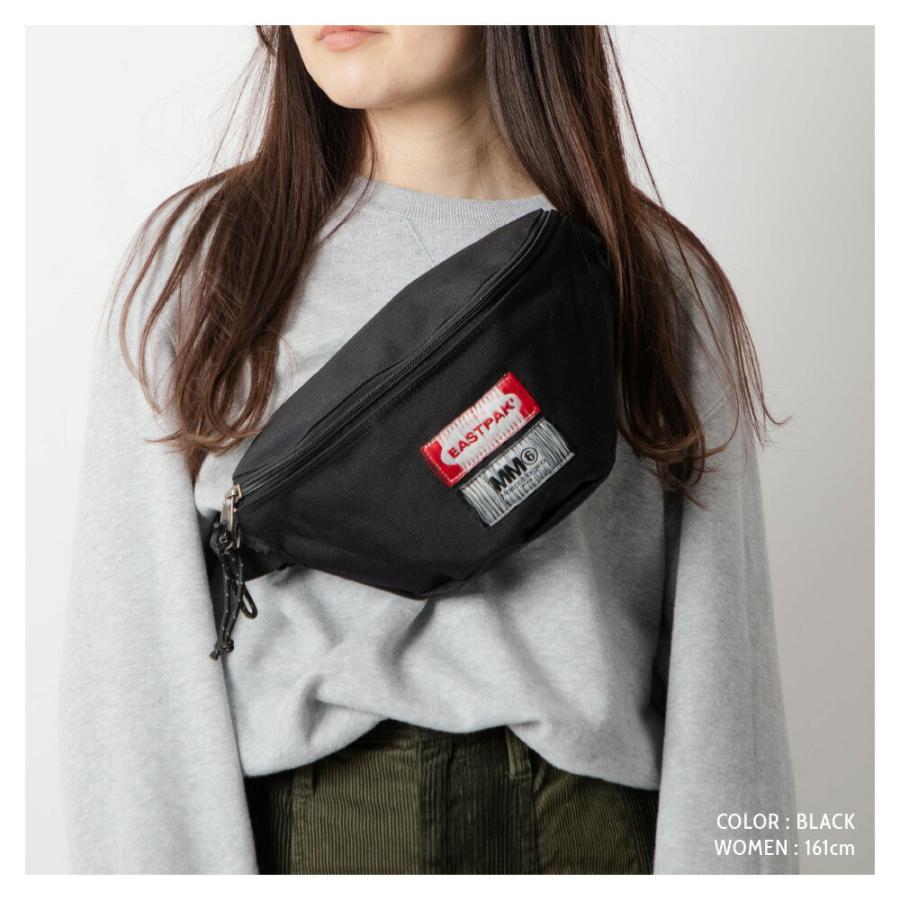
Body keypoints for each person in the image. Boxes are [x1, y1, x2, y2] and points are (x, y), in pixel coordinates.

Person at [58, 25, 797, 874]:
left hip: (590, 841)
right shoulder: (209, 261)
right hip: (313, 839)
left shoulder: (652, 276)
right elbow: (131, 672)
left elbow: (727, 688)